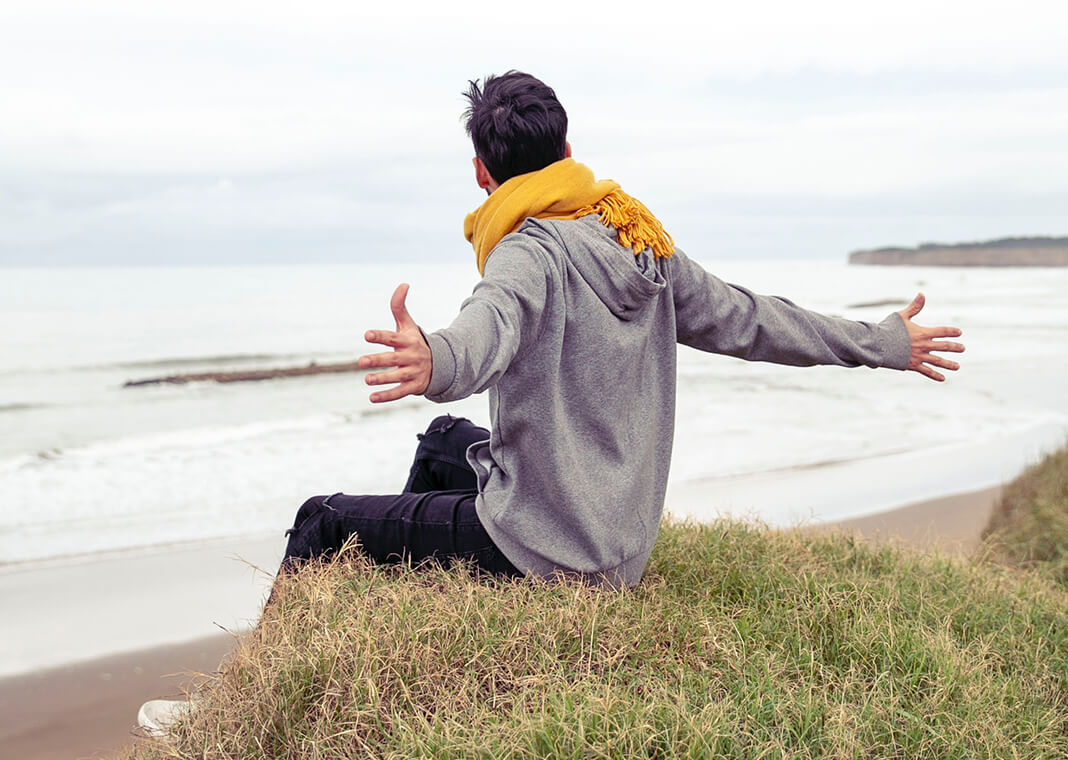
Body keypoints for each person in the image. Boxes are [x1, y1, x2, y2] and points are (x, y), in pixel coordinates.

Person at [279, 70, 965, 588]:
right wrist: (881, 343)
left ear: (481, 173)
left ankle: (276, 674)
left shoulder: (526, 251)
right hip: (621, 543)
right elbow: (751, 319)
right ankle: (424, 602)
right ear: (568, 149)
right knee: (440, 444)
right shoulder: (637, 237)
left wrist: (440, 359)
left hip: (548, 552)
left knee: (322, 521)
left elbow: (490, 322)